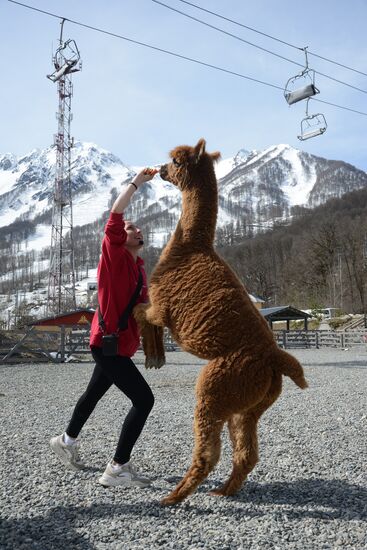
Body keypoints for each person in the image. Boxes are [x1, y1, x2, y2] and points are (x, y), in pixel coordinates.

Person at [50, 167, 158, 488]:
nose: (137, 229)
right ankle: (117, 468)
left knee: (93, 393)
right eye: (130, 227)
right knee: (144, 401)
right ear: (119, 237)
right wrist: (138, 182)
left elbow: (143, 310)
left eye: (138, 227)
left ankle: (66, 441)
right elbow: (116, 213)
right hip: (108, 345)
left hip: (116, 346)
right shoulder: (113, 254)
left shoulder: (138, 267)